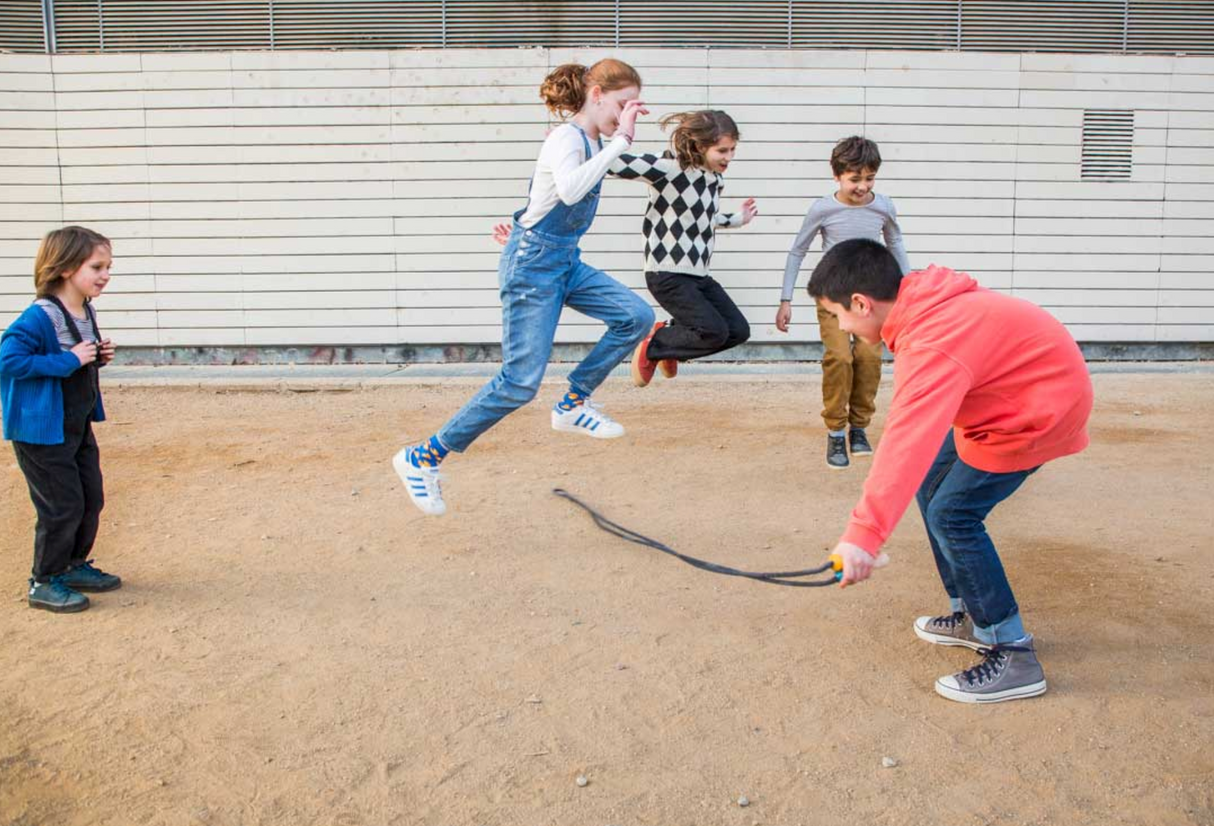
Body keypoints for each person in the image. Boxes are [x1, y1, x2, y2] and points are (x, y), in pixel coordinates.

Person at [810, 238, 1092, 704]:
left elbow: (905, 441)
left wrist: (863, 536)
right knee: (931, 486)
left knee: (953, 515)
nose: (841, 326)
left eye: (837, 315)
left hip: (1037, 415)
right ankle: (970, 614)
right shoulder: (923, 307)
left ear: (861, 302)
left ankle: (1012, 651)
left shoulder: (933, 340)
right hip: (1016, 398)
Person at [394, 58, 654, 517]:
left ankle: (573, 402)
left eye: (632, 106)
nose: (626, 113)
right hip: (534, 267)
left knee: (636, 316)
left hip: (562, 259)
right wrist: (621, 141)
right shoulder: (567, 137)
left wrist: (521, 222)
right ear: (596, 95)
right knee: (518, 383)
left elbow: (548, 195)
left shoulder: (593, 141)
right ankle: (423, 457)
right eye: (621, 103)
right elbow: (571, 190)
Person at [1, 226, 121, 613]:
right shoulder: (40, 316)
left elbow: (75, 358)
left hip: (75, 424)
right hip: (41, 430)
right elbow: (8, 359)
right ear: (66, 267)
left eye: (108, 266)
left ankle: (72, 565)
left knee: (90, 497)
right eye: (97, 266)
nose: (105, 274)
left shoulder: (84, 309)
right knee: (61, 505)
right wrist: (68, 360)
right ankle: (44, 580)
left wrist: (95, 355)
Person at [777, 136, 910, 470]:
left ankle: (859, 427)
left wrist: (908, 289)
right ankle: (836, 430)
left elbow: (895, 242)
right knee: (839, 357)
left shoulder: (883, 206)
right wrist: (785, 299)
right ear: (837, 175)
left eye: (869, 178)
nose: (863, 187)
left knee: (868, 359)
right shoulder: (823, 208)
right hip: (834, 295)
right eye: (855, 179)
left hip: (873, 297)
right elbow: (798, 250)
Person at [613, 110, 758, 386]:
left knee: (738, 330)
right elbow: (615, 164)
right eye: (722, 150)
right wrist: (574, 151)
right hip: (667, 272)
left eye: (733, 150)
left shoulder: (714, 179)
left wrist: (737, 219)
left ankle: (670, 339)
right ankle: (655, 345)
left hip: (698, 274)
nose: (729, 157)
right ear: (700, 146)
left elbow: (703, 218)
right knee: (712, 331)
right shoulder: (669, 167)